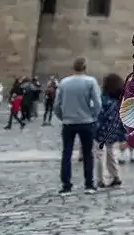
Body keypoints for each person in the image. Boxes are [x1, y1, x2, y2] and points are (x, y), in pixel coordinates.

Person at [55, 57, 102, 194]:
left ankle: (66, 185)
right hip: (86, 122)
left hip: (68, 122)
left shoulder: (64, 82)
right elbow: (97, 103)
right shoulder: (90, 81)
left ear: (73, 68)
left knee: (67, 153)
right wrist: (93, 116)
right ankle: (89, 184)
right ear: (85, 67)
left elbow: (57, 105)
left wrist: (63, 117)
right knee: (88, 154)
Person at [95, 73, 127, 189]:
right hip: (114, 131)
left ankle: (101, 179)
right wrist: (123, 135)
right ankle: (115, 176)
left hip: (102, 130)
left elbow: (99, 113)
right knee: (111, 153)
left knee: (99, 154)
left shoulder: (104, 98)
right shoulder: (120, 99)